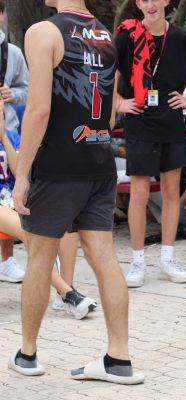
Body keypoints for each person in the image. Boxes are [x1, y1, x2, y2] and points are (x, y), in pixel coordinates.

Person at [10, 0, 143, 383]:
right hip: (98, 160)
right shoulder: (105, 34)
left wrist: (22, 173)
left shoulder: (43, 32)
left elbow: (37, 110)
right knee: (103, 255)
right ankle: (119, 358)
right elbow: (111, 109)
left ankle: (28, 355)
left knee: (39, 254)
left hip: (57, 165)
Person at [115, 0, 186, 288]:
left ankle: (168, 258)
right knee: (139, 193)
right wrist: (120, 103)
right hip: (139, 122)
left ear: (166, 1)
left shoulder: (181, 37)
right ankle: (137, 262)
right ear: (137, 3)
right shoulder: (128, 36)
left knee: (172, 192)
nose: (150, 4)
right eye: (144, 0)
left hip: (171, 121)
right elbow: (110, 75)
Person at [0, 100, 97, 319]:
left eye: (1, 111)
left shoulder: (12, 138)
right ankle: (68, 294)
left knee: (67, 223)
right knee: (30, 232)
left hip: (13, 201)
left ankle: (66, 290)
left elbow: (19, 172)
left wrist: (4, 136)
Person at [0, 0, 30, 277]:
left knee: (8, 195)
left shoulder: (12, 53)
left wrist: (13, 95)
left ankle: (7, 260)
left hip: (6, 132)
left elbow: (29, 89)